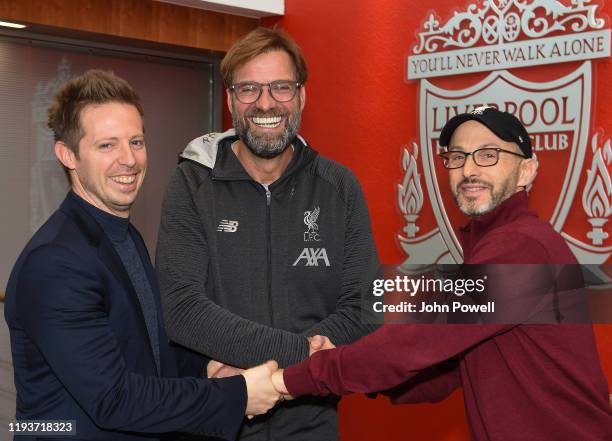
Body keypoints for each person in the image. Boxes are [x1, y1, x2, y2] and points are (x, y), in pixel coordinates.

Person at [272, 107, 612, 440]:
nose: (469, 170)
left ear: (526, 171)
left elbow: (417, 341)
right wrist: (350, 366)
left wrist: (288, 381)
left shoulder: (523, 249)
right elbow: (448, 369)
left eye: (488, 155)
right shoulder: (497, 245)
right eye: (458, 157)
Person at [4, 69, 280, 441]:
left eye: (136, 142)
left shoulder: (124, 236)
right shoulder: (56, 262)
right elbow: (114, 398)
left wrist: (208, 369)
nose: (129, 160)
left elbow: (145, 347)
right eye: (107, 145)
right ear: (67, 154)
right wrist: (238, 394)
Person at [156, 27, 380, 440]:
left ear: (301, 96)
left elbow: (364, 307)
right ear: (229, 100)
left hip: (313, 421)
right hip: (218, 418)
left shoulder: (339, 187)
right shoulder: (191, 184)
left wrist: (287, 377)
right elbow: (182, 309)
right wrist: (301, 356)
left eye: (280, 87)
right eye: (248, 89)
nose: (265, 103)